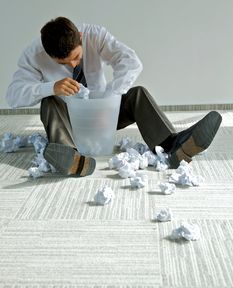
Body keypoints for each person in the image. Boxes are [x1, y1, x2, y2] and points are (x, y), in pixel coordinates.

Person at [6, 17, 222, 177]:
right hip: (70, 122)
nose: (72, 65)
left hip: (105, 118)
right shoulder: (34, 54)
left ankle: (174, 147)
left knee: (138, 93)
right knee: (49, 100)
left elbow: (130, 61)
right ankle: (71, 157)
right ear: (47, 53)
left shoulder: (94, 35)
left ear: (80, 38)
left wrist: (108, 102)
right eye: (62, 64)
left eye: (76, 58)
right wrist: (51, 87)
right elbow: (13, 96)